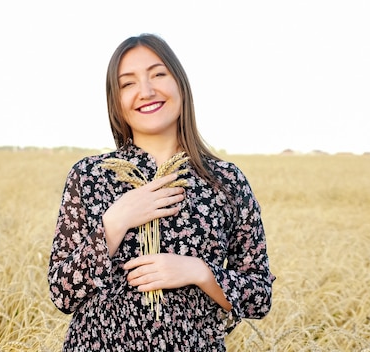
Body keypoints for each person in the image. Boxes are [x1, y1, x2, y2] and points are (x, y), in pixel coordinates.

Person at [48, 33, 275, 351]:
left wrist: (199, 271)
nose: (146, 91)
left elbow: (260, 297)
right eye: (128, 83)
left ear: (180, 83)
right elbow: (62, 294)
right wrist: (114, 222)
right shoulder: (90, 176)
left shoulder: (225, 181)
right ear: (115, 100)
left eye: (158, 74)